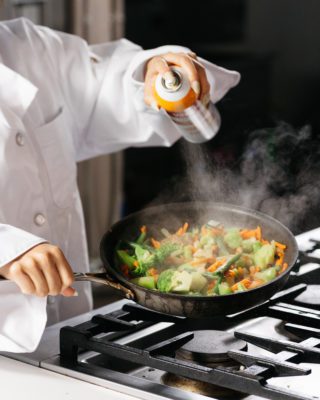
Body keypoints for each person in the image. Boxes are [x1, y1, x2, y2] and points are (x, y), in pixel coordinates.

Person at [0, 17, 240, 352]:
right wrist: (6, 251)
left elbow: (104, 88)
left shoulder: (28, 47)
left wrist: (155, 74)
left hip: (70, 331)